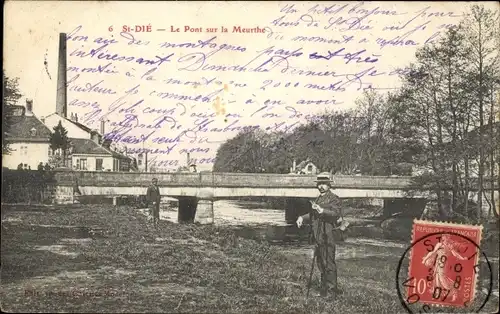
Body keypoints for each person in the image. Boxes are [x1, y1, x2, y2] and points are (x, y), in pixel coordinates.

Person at [296, 172, 344, 299]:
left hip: (328, 234)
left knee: (329, 263)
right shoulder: (318, 198)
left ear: (329, 185)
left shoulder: (334, 198)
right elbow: (313, 215)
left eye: (324, 184)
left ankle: (331, 292)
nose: (321, 186)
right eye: (319, 184)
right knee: (321, 263)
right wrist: (302, 217)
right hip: (317, 236)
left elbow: (336, 214)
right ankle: (323, 291)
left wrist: (322, 211)